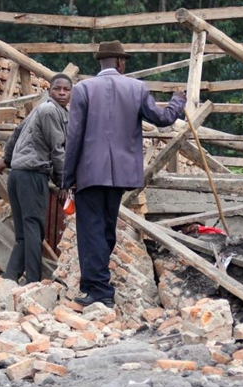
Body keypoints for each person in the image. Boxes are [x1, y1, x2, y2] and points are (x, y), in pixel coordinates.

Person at [62, 40, 186, 309]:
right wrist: (178, 101)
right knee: (106, 228)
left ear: (101, 62)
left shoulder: (82, 89)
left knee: (91, 230)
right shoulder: (137, 88)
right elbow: (163, 119)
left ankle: (98, 289)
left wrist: (67, 177)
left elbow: (74, 137)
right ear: (120, 62)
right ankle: (99, 285)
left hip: (90, 173)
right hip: (121, 175)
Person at [0, 73, 73, 284]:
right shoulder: (50, 110)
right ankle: (33, 281)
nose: (62, 93)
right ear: (50, 90)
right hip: (32, 175)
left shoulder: (44, 109)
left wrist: (7, 159)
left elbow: (17, 132)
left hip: (18, 174)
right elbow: (58, 150)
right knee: (34, 229)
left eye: (66, 89)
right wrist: (63, 182)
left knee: (23, 233)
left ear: (71, 93)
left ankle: (10, 277)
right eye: (58, 89)